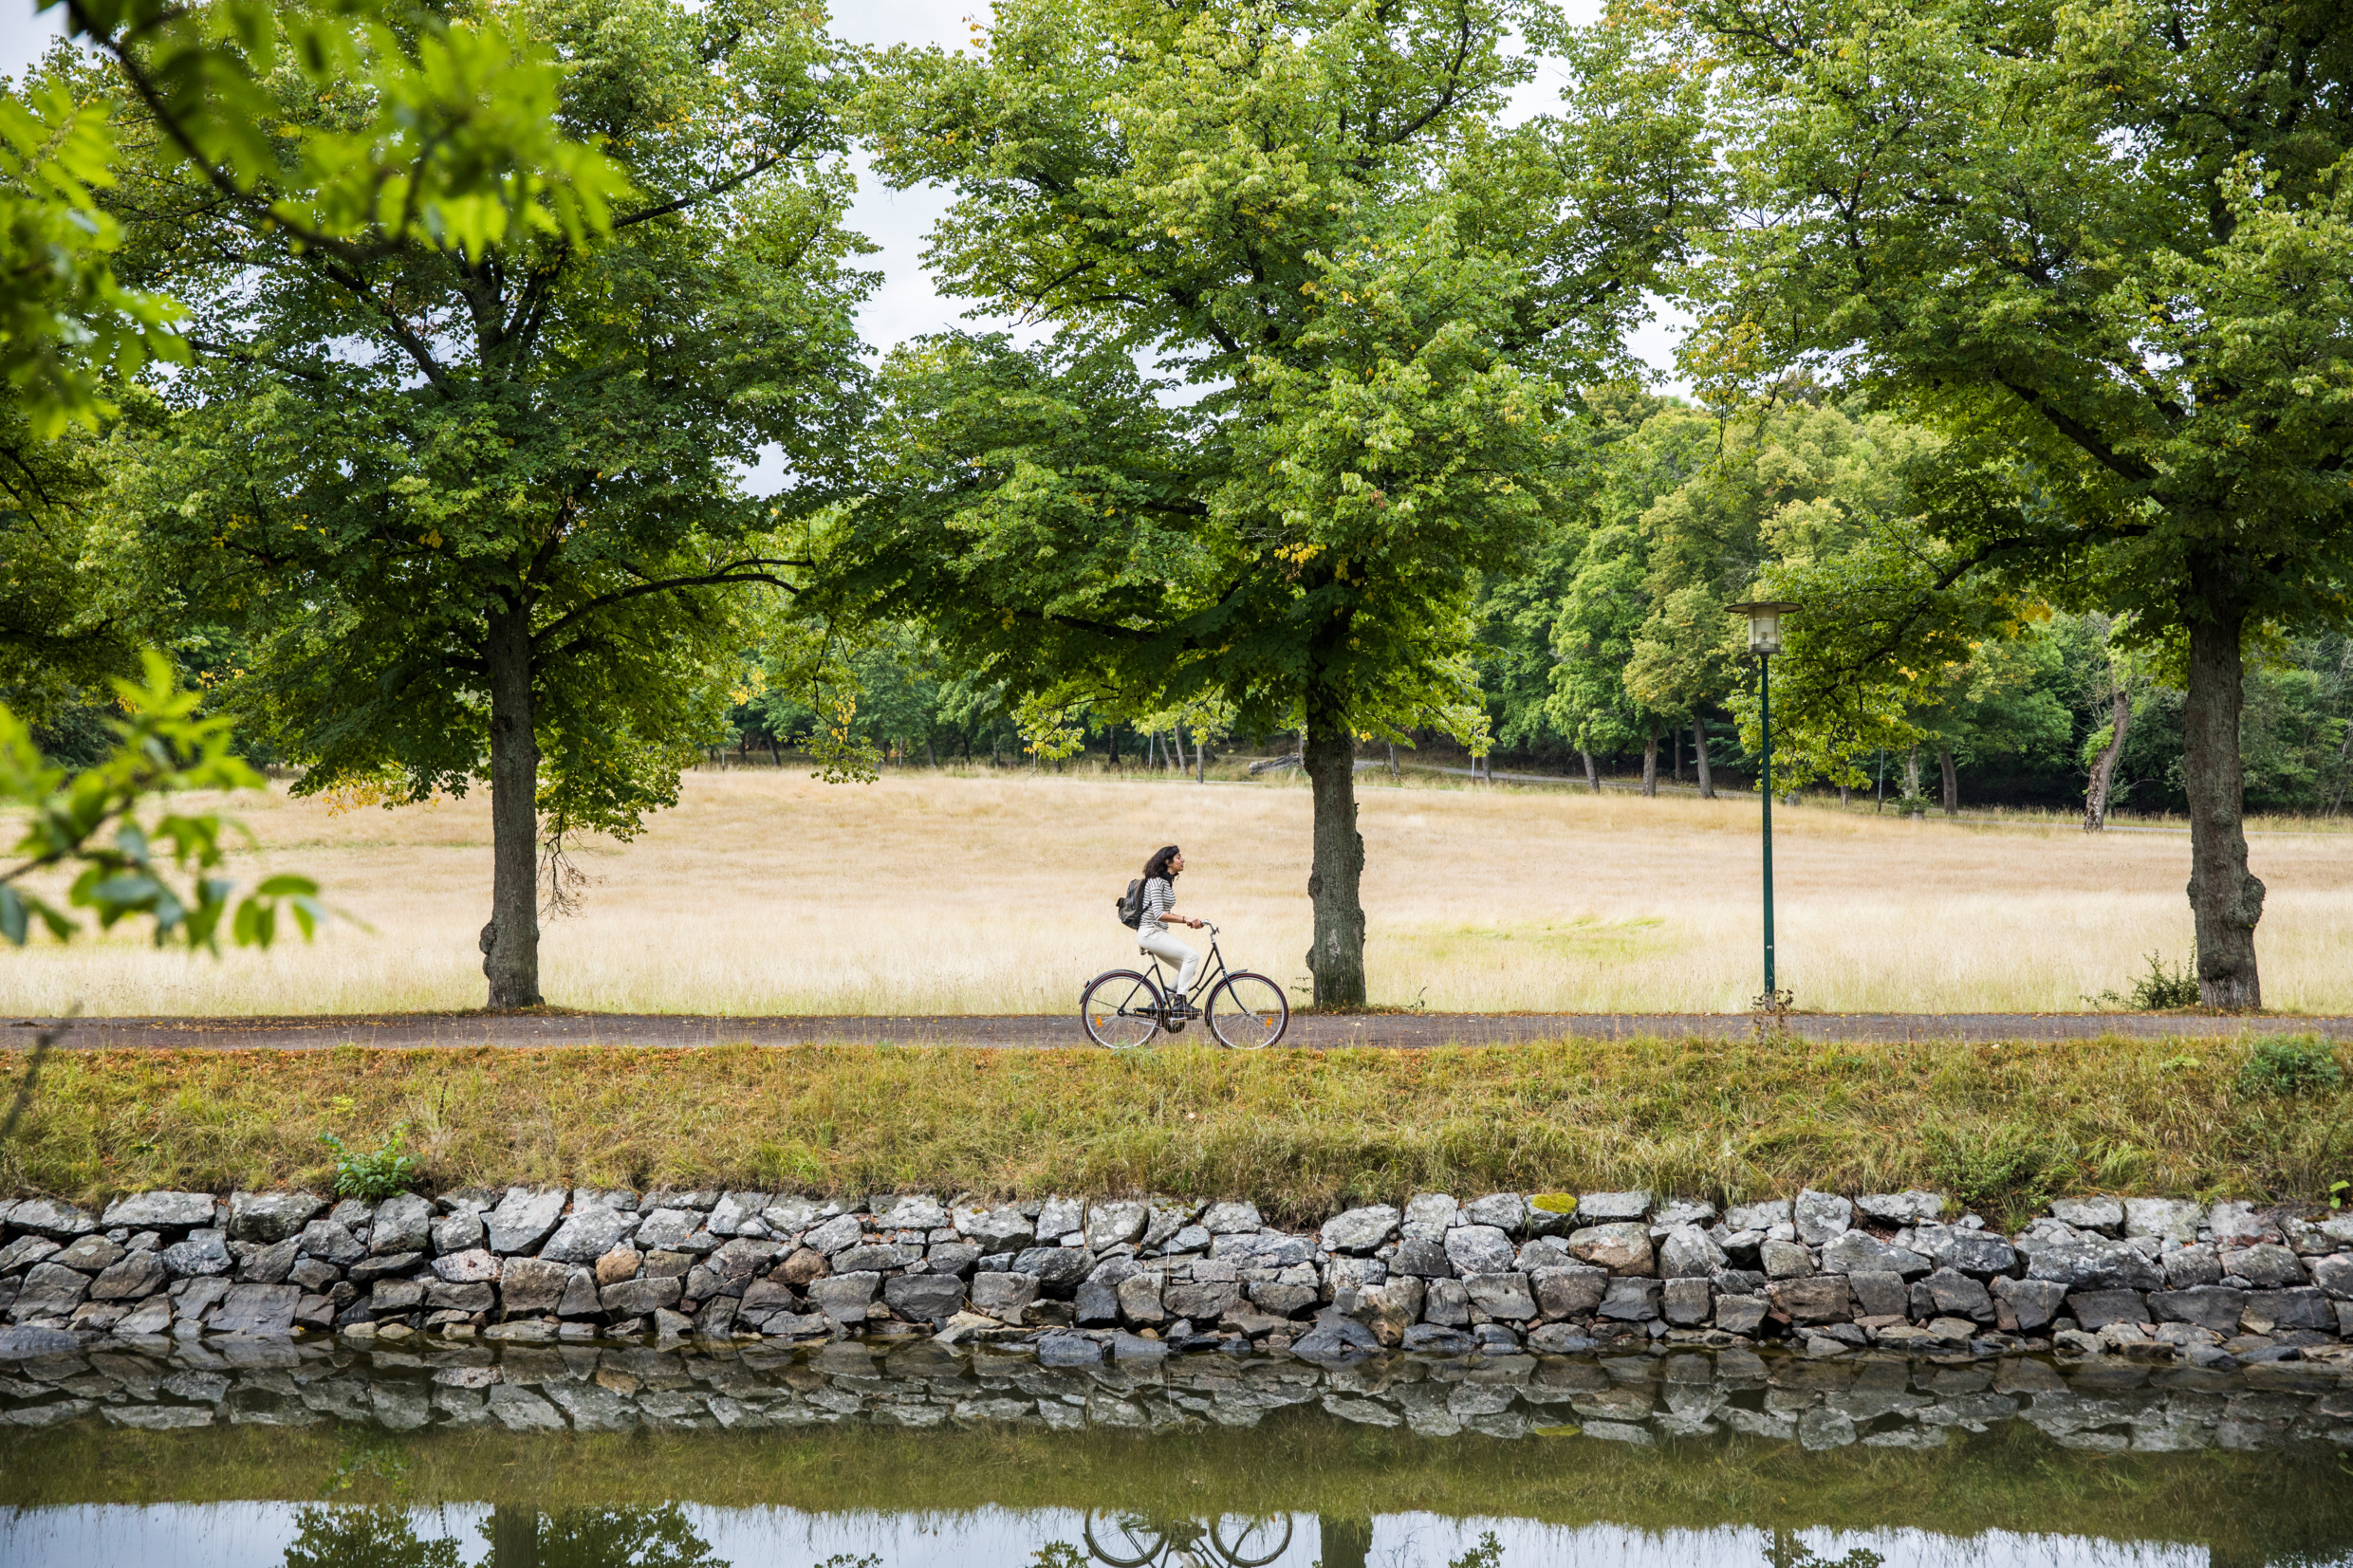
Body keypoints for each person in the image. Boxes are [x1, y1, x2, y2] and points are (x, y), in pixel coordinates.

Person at [1136, 843, 1207, 1013]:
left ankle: (1158, 1003)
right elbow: (1159, 913)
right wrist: (1185, 919)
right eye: (1178, 857)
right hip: (1151, 933)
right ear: (1168, 862)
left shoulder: (1166, 883)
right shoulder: (1155, 882)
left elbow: (1158, 911)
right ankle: (1180, 1003)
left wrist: (1187, 921)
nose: (1183, 860)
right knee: (1192, 956)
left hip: (1155, 933)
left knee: (1187, 968)